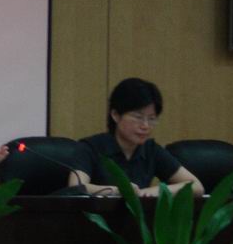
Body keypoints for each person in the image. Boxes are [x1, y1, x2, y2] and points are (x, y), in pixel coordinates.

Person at [68, 77, 204, 198]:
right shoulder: (90, 147)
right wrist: (119, 191)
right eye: (138, 117)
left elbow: (196, 186)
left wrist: (157, 191)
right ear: (115, 115)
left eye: (151, 119)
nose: (145, 126)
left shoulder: (151, 150)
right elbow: (76, 188)